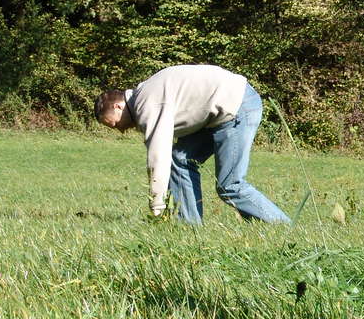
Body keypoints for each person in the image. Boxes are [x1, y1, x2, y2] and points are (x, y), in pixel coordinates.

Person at [94, 65, 291, 224]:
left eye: (113, 123)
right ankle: (188, 226)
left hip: (237, 107)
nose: (119, 129)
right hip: (217, 113)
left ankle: (281, 226)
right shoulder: (145, 94)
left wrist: (156, 206)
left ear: (117, 106)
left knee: (230, 185)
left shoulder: (147, 104)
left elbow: (158, 157)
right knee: (179, 158)